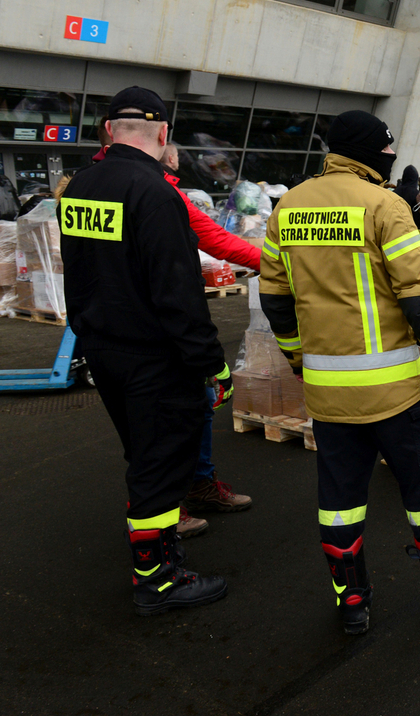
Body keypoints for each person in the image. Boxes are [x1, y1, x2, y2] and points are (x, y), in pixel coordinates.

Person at [259, 110, 420, 635]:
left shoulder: (289, 206)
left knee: (340, 499)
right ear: (375, 154)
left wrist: (299, 359)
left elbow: (275, 299)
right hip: (394, 393)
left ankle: (351, 603)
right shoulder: (384, 206)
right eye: (388, 154)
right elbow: (418, 298)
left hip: (327, 393)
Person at [61, 86, 231, 615]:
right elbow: (177, 292)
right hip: (154, 358)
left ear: (109, 131)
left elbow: (82, 272)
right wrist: (212, 364)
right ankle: (159, 578)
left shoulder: (81, 185)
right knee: (160, 465)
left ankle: (156, 560)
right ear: (162, 134)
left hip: (103, 348)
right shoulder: (154, 192)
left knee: (143, 454)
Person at [157, 144, 256, 533]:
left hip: (163, 323)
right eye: (172, 151)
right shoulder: (151, 192)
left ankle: (198, 485)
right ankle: (162, 511)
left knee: (197, 406)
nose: (176, 158)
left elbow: (213, 237)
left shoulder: (162, 190)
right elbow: (211, 241)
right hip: (150, 328)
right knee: (160, 424)